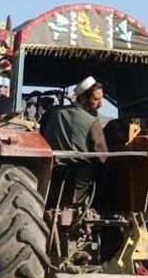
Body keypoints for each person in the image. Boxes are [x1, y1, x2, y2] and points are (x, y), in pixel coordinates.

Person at [40, 76, 109, 205]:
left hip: (50, 174)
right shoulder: (93, 122)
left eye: (101, 99)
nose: (101, 104)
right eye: (96, 99)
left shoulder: (51, 113)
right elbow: (102, 156)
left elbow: (41, 136)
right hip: (80, 178)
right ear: (82, 98)